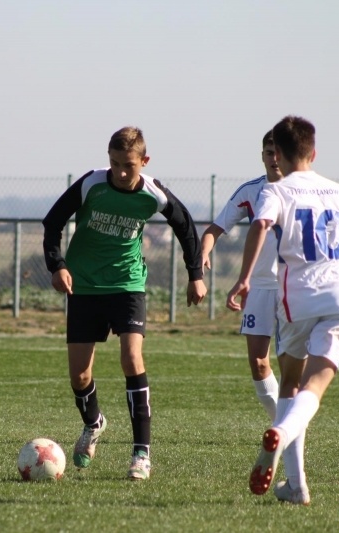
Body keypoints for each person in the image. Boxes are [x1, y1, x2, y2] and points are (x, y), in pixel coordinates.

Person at [226, 116, 339, 504]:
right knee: (314, 387)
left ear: (276, 153)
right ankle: (289, 466)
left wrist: (244, 278)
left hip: (297, 300)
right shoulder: (338, 191)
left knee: (291, 383)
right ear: (313, 152)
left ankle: (289, 467)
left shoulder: (277, 190)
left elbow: (260, 225)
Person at [42, 126, 207, 481]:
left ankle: (141, 453)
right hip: (84, 286)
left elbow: (186, 226)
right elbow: (53, 223)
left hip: (127, 285)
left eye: (128, 166)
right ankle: (94, 423)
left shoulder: (153, 192)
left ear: (143, 162)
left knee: (132, 357)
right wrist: (58, 265)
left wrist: (196, 274)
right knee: (79, 374)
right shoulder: (91, 184)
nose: (119, 172)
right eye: (114, 163)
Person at [200, 131, 283, 423]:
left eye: (279, 151)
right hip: (259, 288)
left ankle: (289, 429)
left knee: (292, 364)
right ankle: (283, 426)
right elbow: (214, 230)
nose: (274, 158)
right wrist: (204, 253)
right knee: (259, 364)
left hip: (293, 287)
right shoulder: (251, 191)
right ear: (262, 156)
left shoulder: (304, 190)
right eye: (269, 152)